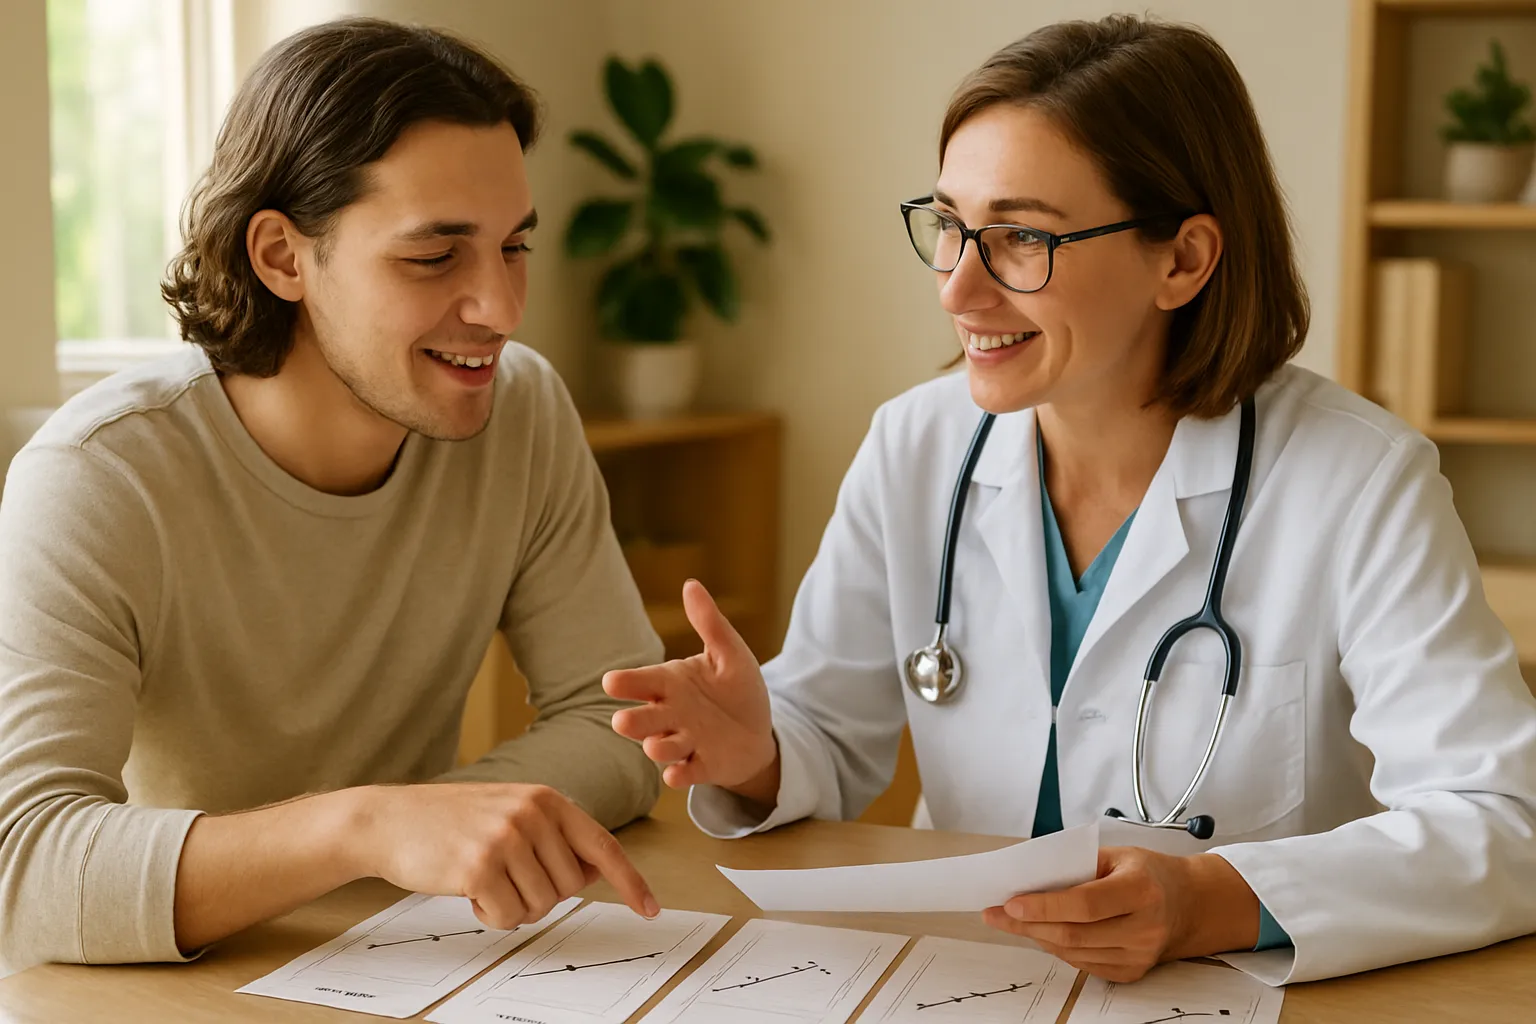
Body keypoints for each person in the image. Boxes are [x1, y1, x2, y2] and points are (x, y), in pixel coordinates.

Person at [604, 14, 1536, 987]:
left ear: (1182, 259)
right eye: (952, 227)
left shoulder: (1358, 479)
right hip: (958, 980)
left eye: (1018, 238)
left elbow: (1504, 819)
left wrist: (1210, 900)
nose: (959, 289)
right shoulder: (917, 444)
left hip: (1229, 993)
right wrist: (755, 749)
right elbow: (827, 736)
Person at [0, 17, 663, 974]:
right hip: (164, 987)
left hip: (398, 961)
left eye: (514, 246)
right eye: (435, 257)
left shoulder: (521, 411)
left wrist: (441, 832)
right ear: (280, 257)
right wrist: (370, 827)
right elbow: (22, 869)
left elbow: (618, 726)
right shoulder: (98, 476)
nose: (503, 310)